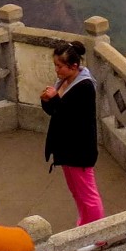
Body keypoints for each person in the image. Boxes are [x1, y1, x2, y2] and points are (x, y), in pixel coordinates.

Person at [40, 40, 104, 239]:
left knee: (88, 196)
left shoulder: (85, 86)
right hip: (66, 149)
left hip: (79, 149)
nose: (57, 70)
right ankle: (84, 227)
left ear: (74, 66)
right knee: (77, 193)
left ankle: (99, 237)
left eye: (60, 66)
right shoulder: (64, 82)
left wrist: (55, 99)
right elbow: (56, 112)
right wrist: (46, 101)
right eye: (56, 65)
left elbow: (73, 117)